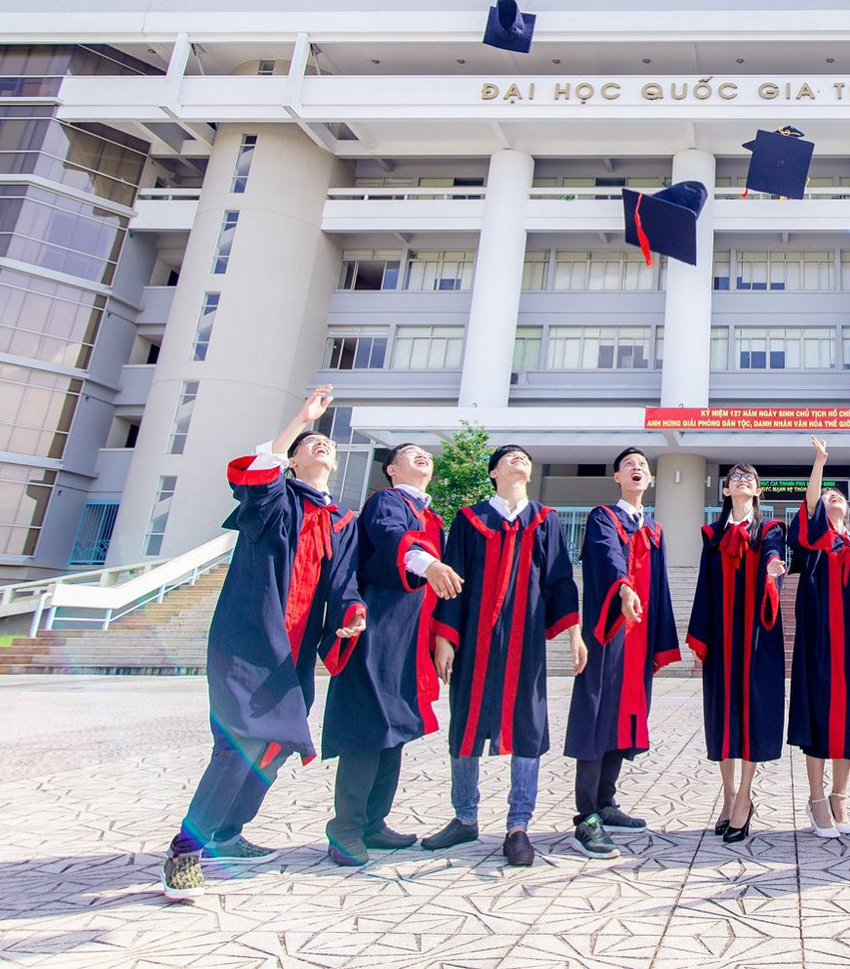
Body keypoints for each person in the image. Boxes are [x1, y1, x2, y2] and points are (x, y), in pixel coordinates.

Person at [162, 386, 367, 901]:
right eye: (310, 443)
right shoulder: (276, 500)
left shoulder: (342, 520)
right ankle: (186, 851)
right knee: (242, 744)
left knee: (275, 747)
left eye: (327, 444)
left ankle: (226, 834)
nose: (321, 446)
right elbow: (258, 472)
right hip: (250, 638)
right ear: (293, 459)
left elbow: (343, 584)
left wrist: (350, 617)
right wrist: (301, 418)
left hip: (293, 653)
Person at [421, 444, 583, 868]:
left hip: (525, 644)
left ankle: (518, 825)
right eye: (509, 457)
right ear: (493, 472)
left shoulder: (544, 521)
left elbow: (560, 580)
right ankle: (465, 817)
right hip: (475, 638)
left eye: (525, 458)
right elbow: (453, 579)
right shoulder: (470, 520)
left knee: (528, 727)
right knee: (466, 724)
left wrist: (573, 633)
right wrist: (445, 637)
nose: (519, 460)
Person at [320, 442, 466, 866]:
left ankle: (373, 823)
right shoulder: (387, 500)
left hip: (409, 637)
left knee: (395, 731)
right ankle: (345, 829)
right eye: (410, 453)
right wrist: (431, 565)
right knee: (369, 728)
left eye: (426, 453)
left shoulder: (432, 517)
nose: (422, 456)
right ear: (390, 469)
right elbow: (390, 539)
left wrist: (442, 637)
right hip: (376, 629)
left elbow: (439, 593)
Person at [563, 447, 682, 859]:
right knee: (596, 716)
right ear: (617, 477)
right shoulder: (603, 517)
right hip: (609, 632)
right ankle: (586, 816)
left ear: (649, 482)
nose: (637, 469)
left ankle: (607, 802)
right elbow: (608, 556)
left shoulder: (653, 528)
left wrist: (660, 639)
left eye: (643, 467)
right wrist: (625, 588)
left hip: (638, 638)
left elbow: (662, 583)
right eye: (629, 465)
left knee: (624, 717)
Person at [685, 462, 787, 844]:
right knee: (723, 717)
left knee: (753, 717)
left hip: (757, 640)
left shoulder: (769, 530)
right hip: (723, 641)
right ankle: (727, 795)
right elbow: (703, 588)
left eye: (750, 478)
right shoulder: (712, 536)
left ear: (758, 490)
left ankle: (745, 797)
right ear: (725, 491)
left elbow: (775, 554)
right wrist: (700, 639)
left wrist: (774, 567)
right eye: (735, 479)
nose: (743, 482)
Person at [788, 436, 850, 838]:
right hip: (821, 641)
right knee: (819, 715)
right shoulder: (816, 539)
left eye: (838, 495)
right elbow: (809, 506)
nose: (833, 497)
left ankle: (840, 796)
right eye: (827, 495)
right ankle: (816, 799)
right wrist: (820, 463)